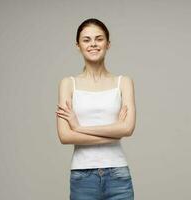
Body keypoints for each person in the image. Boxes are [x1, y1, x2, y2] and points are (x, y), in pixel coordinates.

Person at [55, 18, 136, 200]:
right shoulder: (68, 84)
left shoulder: (123, 82)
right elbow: (65, 136)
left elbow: (128, 129)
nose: (93, 44)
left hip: (118, 176)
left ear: (108, 44)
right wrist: (115, 131)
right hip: (82, 177)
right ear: (78, 46)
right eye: (86, 40)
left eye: (99, 39)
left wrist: (78, 128)